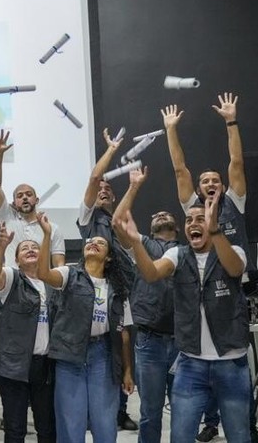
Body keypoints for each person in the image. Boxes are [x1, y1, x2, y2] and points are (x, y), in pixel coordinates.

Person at [115, 176, 252, 443]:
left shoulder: (232, 249)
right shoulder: (178, 255)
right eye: (189, 221)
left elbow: (235, 268)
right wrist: (135, 241)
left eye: (199, 219)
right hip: (191, 363)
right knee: (180, 435)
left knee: (238, 435)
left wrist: (215, 231)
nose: (193, 224)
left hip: (231, 362)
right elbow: (152, 273)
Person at [36, 211, 134, 443]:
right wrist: (47, 235)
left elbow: (125, 333)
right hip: (70, 356)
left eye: (100, 243)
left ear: (109, 257)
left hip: (104, 355)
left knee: (104, 421)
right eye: (90, 241)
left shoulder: (117, 288)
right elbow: (43, 274)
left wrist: (128, 370)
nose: (92, 243)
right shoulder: (70, 273)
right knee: (71, 420)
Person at [112, 167, 181, 443]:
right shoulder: (144, 245)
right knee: (151, 412)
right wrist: (134, 187)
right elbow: (118, 220)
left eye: (166, 215)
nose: (160, 215)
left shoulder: (188, 250)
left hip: (183, 341)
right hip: (150, 341)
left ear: (177, 226)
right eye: (155, 216)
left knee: (184, 410)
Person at [77, 128, 139, 432]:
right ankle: (94, 412)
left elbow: (132, 247)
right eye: (98, 187)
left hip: (122, 289)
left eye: (107, 188)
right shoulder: (89, 219)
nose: (101, 188)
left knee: (123, 343)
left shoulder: (119, 222)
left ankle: (119, 409)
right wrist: (112, 150)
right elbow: (92, 179)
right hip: (93, 290)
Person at [0, 222, 56, 443]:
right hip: (14, 365)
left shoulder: (53, 284)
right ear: (16, 259)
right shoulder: (11, 278)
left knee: (47, 426)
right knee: (15, 428)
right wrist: (1, 246)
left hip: (45, 365)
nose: (30, 249)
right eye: (24, 248)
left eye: (35, 247)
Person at [161, 93, 250, 263]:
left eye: (216, 181)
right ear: (197, 189)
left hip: (236, 274)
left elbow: (236, 162)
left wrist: (230, 121)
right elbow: (180, 169)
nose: (211, 183)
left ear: (223, 188)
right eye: (205, 181)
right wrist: (171, 129)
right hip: (202, 273)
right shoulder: (192, 204)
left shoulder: (235, 201)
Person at [0, 130, 66, 267]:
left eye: (29, 194)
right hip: (13, 283)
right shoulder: (7, 217)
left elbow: (59, 267)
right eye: (20, 196)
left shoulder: (52, 228)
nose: (24, 197)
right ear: (13, 203)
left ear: (36, 200)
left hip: (42, 285)